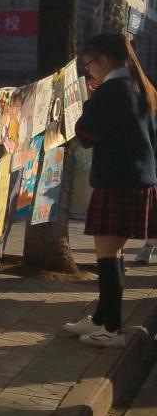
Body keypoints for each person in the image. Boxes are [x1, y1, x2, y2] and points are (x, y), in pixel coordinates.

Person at [63, 33, 157, 347]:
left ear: (103, 59)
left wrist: (91, 101)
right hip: (139, 181)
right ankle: (100, 320)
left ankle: (112, 330)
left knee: (108, 258)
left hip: (118, 183)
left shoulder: (111, 91)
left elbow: (85, 134)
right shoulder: (139, 87)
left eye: (89, 65)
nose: (89, 71)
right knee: (113, 255)